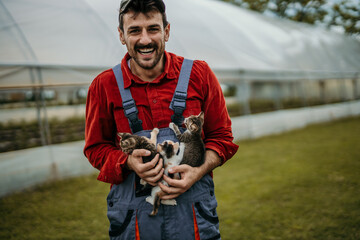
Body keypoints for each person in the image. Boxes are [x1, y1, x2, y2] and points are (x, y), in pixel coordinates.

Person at [84, 0, 239, 239]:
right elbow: (95, 148)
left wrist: (197, 172)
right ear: (121, 36)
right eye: (135, 30)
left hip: (193, 215)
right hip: (134, 220)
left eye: (153, 29)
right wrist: (127, 162)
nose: (145, 40)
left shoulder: (200, 74)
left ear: (166, 31)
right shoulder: (104, 85)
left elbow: (222, 138)